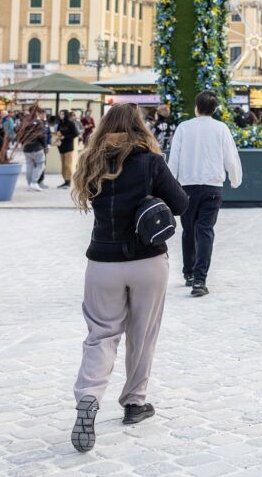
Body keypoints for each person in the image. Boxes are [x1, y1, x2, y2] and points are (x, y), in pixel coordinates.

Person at [69, 103, 188, 453]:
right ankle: (135, 403)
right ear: (140, 126)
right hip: (147, 260)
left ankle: (88, 396)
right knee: (142, 333)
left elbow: (92, 200)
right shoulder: (149, 161)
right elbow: (180, 204)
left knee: (101, 335)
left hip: (102, 260)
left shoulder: (91, 160)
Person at [166, 91, 242, 297]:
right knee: (205, 231)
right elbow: (231, 157)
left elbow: (174, 159)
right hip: (212, 186)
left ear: (196, 107)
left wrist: (169, 185)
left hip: (186, 186)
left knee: (188, 230)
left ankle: (188, 272)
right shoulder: (221, 128)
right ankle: (200, 279)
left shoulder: (184, 128)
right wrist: (235, 179)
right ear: (215, 109)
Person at [23, 106, 48, 192]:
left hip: (26, 147)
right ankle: (34, 183)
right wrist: (45, 146)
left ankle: (30, 184)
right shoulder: (38, 122)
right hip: (37, 147)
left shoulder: (25, 121)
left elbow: (19, 133)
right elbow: (42, 136)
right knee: (41, 165)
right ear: (36, 112)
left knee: (29, 165)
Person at [56, 110, 80, 189]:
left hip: (68, 147)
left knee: (68, 165)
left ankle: (69, 182)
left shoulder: (70, 123)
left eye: (62, 114)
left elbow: (76, 133)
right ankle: (65, 181)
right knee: (63, 165)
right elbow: (58, 132)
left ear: (66, 114)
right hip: (61, 147)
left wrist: (65, 137)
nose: (61, 115)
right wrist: (58, 136)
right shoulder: (60, 123)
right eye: (60, 114)